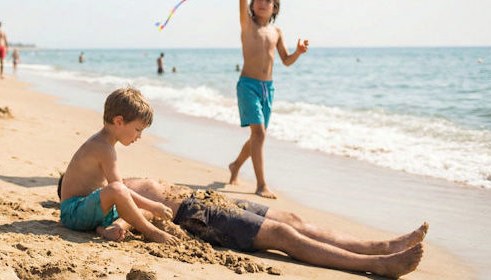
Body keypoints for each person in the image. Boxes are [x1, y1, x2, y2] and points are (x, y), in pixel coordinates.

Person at [116, 179, 426, 278]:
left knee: (293, 219)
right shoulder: (112, 192)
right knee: (283, 236)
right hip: (196, 214)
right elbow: (124, 213)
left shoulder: (116, 176)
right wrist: (118, 227)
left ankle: (380, 246)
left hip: (205, 199)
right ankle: (377, 265)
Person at [58, 87, 179, 245]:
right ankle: (151, 232)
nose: (139, 136)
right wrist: (154, 205)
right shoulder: (102, 147)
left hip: (93, 210)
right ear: (119, 122)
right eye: (137, 130)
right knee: (120, 191)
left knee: (143, 210)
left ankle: (110, 227)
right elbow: (118, 188)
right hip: (74, 212)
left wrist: (151, 207)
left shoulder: (107, 144)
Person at [228, 0, 308, 199]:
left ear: (275, 7)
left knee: (257, 135)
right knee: (260, 134)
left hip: (268, 88)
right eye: (259, 0)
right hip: (248, 85)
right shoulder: (247, 24)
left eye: (268, 1)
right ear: (252, 6)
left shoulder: (276, 32)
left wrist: (297, 52)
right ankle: (261, 184)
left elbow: (286, 61)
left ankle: (236, 165)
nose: (263, 3)